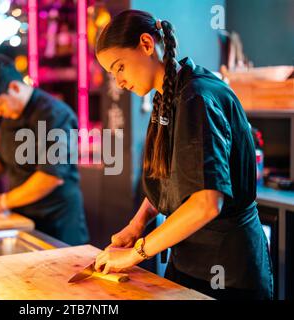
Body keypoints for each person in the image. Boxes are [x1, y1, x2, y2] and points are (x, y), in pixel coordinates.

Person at [93, 10, 273, 300]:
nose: (119, 81)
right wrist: (136, 225)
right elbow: (168, 177)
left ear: (146, 44)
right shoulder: (167, 95)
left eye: (120, 67)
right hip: (188, 258)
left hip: (228, 269)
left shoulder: (197, 97)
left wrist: (136, 254)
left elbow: (206, 204)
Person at [0, 54, 89, 246]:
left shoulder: (56, 115)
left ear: (14, 87)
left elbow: (51, 176)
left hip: (57, 224)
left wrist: (2, 201)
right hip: (24, 221)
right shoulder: (11, 112)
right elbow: (1, 156)